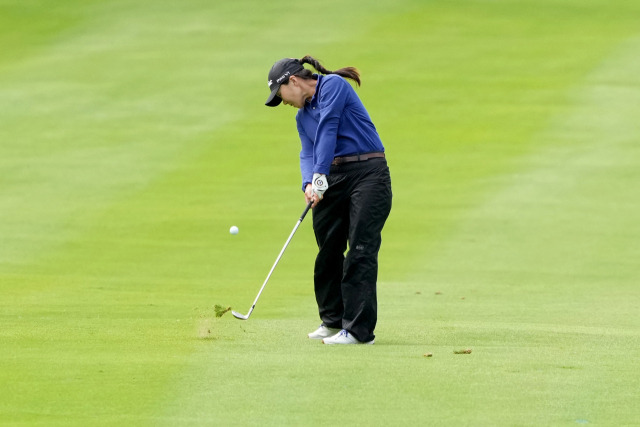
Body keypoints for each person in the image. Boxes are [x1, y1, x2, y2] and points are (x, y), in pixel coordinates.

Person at [264, 56, 392, 345]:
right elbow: (307, 152)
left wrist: (320, 174)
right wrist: (309, 182)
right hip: (332, 178)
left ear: (293, 81)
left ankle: (359, 332)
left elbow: (328, 128)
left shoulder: (333, 86)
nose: (281, 101)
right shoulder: (301, 117)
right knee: (328, 251)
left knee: (360, 250)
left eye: (279, 94)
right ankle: (333, 320)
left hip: (368, 174)